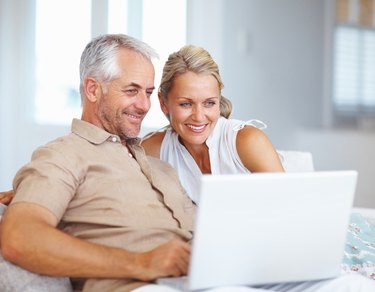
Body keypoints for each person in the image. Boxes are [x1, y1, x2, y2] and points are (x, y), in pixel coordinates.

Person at [0, 34, 374, 292]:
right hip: (148, 283)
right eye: (132, 91)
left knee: (350, 285)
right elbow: (18, 237)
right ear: (93, 89)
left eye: (147, 93)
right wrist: (142, 263)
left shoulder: (153, 158)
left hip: (211, 276)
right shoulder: (64, 155)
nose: (144, 105)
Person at [141, 45, 284, 202]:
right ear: (163, 103)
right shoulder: (153, 150)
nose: (199, 117)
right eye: (186, 104)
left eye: (209, 103)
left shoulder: (248, 141)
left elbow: (288, 204)